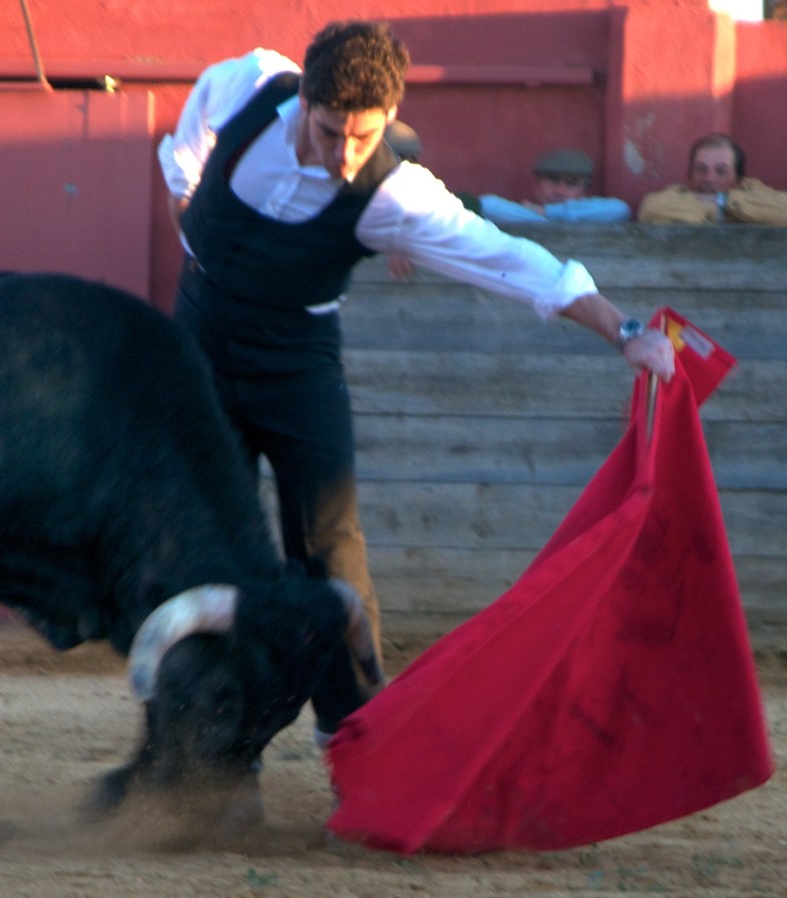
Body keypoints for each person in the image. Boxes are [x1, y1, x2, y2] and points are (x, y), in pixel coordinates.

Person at [157, 20, 674, 734]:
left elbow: (509, 260)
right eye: (332, 131)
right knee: (210, 539)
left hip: (294, 362)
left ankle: (356, 736)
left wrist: (624, 331)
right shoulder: (245, 84)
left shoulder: (395, 196)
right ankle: (210, 740)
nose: (345, 154)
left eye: (364, 138)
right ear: (304, 100)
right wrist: (189, 213)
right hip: (200, 344)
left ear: (390, 121)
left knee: (328, 544)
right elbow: (183, 151)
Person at [639, 133, 787, 225]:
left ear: (739, 178)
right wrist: (729, 214)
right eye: (701, 169)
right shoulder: (678, 193)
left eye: (721, 171)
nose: (709, 178)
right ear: (690, 174)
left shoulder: (752, 189)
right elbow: (649, 210)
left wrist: (721, 201)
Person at [480, 148, 631, 225]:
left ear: (584, 190)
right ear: (536, 186)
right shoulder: (522, 214)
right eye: (552, 180)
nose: (560, 190)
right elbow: (486, 205)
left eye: (570, 183)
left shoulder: (594, 215)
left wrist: (545, 212)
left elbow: (619, 210)